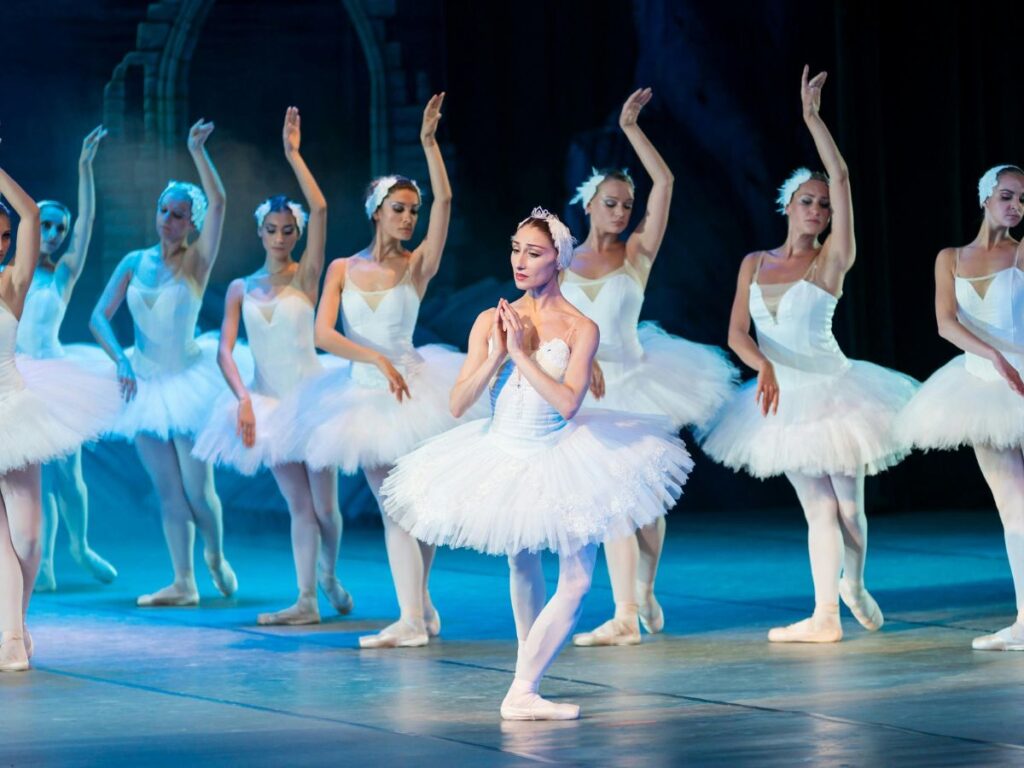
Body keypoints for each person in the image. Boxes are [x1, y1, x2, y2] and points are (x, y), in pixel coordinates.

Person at [382, 208, 692, 719]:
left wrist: (522, 354)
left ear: (558, 260)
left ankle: (526, 684)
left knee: (577, 578)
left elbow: (569, 403)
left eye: (534, 252)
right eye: (516, 249)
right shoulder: (491, 319)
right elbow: (458, 403)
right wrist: (497, 354)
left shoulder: (580, 327)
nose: (520, 261)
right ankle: (525, 686)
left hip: (560, 452)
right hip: (502, 449)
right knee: (520, 561)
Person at [698, 68, 918, 643]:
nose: (817, 209)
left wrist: (812, 119)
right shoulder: (754, 263)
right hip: (781, 398)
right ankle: (824, 617)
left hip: (838, 392)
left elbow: (841, 174)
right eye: (807, 201)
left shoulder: (831, 261)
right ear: (787, 206)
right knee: (816, 508)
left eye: (823, 204)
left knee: (848, 509)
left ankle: (855, 583)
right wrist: (763, 366)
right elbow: (736, 334)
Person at [301, 93, 483, 648]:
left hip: (413, 391)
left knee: (416, 508)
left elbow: (447, 201)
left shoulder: (416, 266)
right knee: (398, 508)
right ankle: (418, 611)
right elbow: (322, 333)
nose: (408, 218)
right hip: (363, 396)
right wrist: (374, 357)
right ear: (377, 211)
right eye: (399, 208)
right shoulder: (342, 268)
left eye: (413, 210)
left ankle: (414, 614)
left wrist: (429, 144)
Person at [563, 89, 737, 647]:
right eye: (610, 202)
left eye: (625, 203)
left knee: (645, 502)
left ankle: (642, 590)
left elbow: (664, 185)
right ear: (588, 204)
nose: (620, 211)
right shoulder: (562, 260)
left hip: (638, 381)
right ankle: (623, 615)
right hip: (585, 391)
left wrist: (632, 129)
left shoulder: (636, 252)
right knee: (610, 499)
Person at [193, 107, 351, 625]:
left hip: (314, 401)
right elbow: (224, 349)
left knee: (326, 510)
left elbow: (322, 209)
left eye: (288, 229)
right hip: (269, 404)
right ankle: (306, 599)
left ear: (296, 235)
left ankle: (328, 574)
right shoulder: (241, 287)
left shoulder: (307, 278)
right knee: (298, 506)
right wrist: (242, 399)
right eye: (272, 229)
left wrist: (293, 155)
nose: (280, 236)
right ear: (260, 232)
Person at [91, 119, 239, 607]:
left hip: (188, 382)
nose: (168, 221)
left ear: (190, 222)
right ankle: (183, 581)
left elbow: (219, 202)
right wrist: (120, 360)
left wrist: (197, 150)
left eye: (178, 215)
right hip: (145, 385)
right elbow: (98, 316)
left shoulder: (196, 262)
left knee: (199, 492)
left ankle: (215, 557)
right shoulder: (134, 261)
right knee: (168, 492)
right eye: (164, 211)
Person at [897, 164, 1024, 651]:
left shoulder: (1020, 253)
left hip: (1020, 377)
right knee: (1011, 503)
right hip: (980, 385)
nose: (1015, 207)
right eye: (1007, 196)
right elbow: (945, 323)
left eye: (1021, 201)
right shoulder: (949, 258)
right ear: (985, 197)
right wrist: (992, 354)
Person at [0, 163, 119, 671]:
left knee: (27, 535)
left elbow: (28, 213)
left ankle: (17, 622)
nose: (3, 241)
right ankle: (9, 640)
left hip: (14, 409)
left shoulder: (11, 284)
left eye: (4, 235)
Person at [16, 125, 116, 591]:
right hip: (17, 377)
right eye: (46, 225)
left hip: (55, 374)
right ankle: (47, 561)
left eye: (60, 227)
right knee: (32, 472)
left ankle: (80, 545)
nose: (53, 234)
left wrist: (84, 167)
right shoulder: (10, 273)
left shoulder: (64, 276)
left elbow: (90, 224)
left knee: (68, 474)